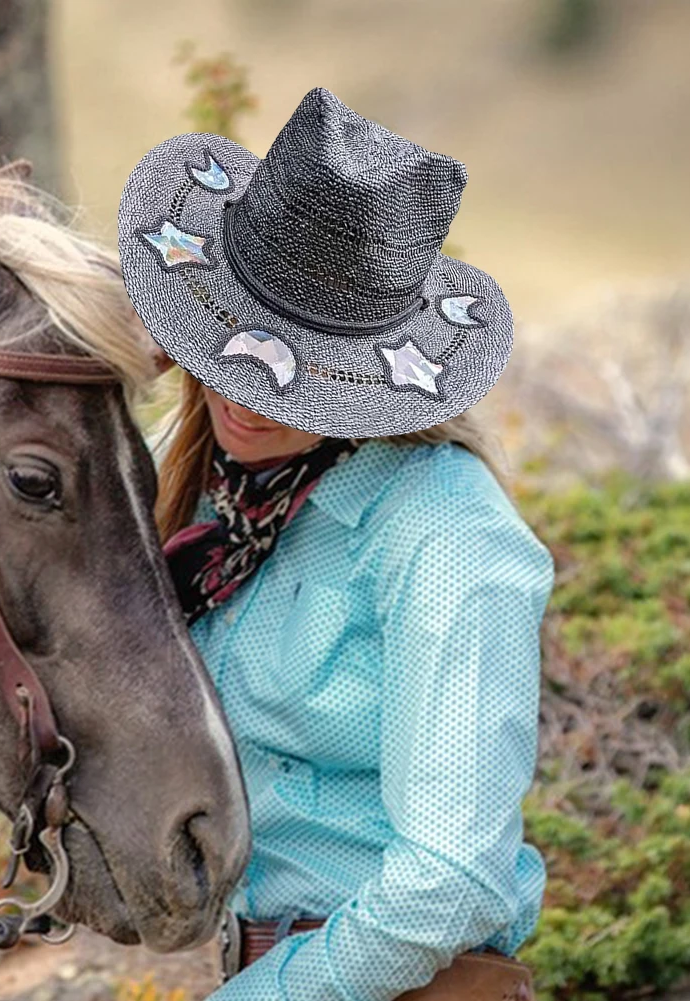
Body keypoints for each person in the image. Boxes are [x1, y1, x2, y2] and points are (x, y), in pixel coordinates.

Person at [118, 87, 553, 1001]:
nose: (245, 393)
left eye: (293, 369)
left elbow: (450, 877)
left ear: (362, 370)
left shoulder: (445, 537)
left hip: (399, 983)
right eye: (230, 338)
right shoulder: (203, 476)